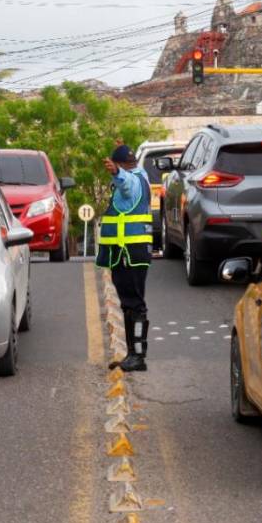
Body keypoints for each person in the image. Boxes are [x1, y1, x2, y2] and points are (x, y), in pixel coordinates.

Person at [96, 144, 152, 372]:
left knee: (134, 304)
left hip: (129, 251)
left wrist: (117, 173)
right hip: (128, 251)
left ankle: (137, 356)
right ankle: (132, 354)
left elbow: (127, 184)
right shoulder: (142, 175)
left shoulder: (133, 180)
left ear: (121, 165)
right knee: (129, 303)